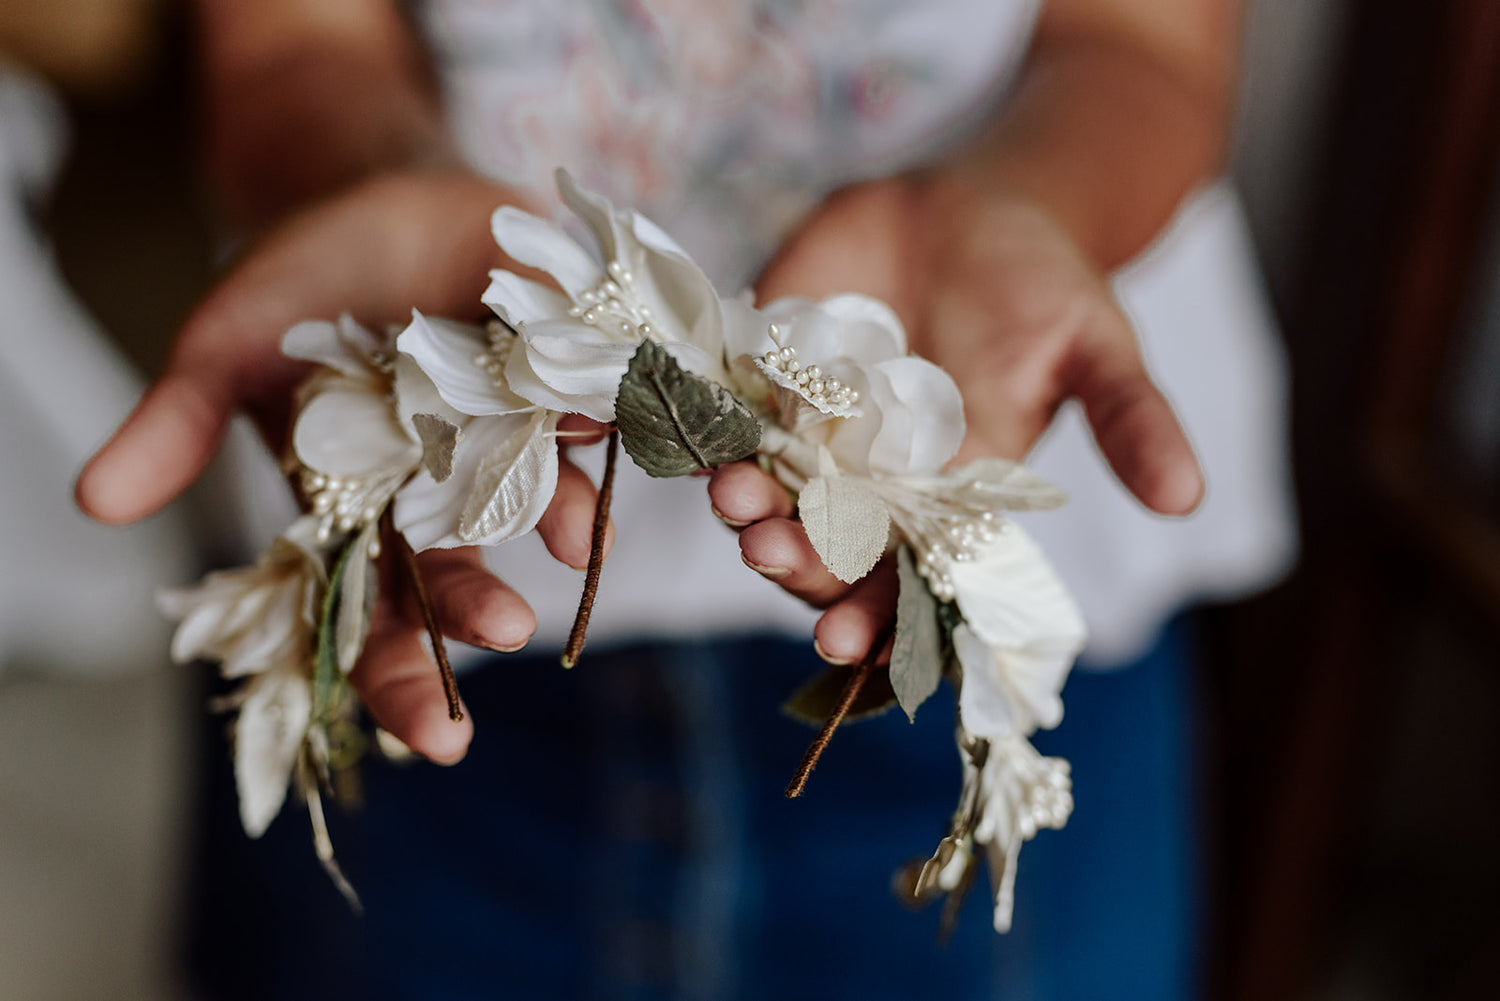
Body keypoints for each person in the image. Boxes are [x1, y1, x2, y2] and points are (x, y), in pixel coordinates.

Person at [77, 1, 1295, 998]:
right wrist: (371, 177)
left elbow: (1146, 44)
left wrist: (1032, 202)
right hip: (435, 610)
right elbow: (292, 47)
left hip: (999, 632)